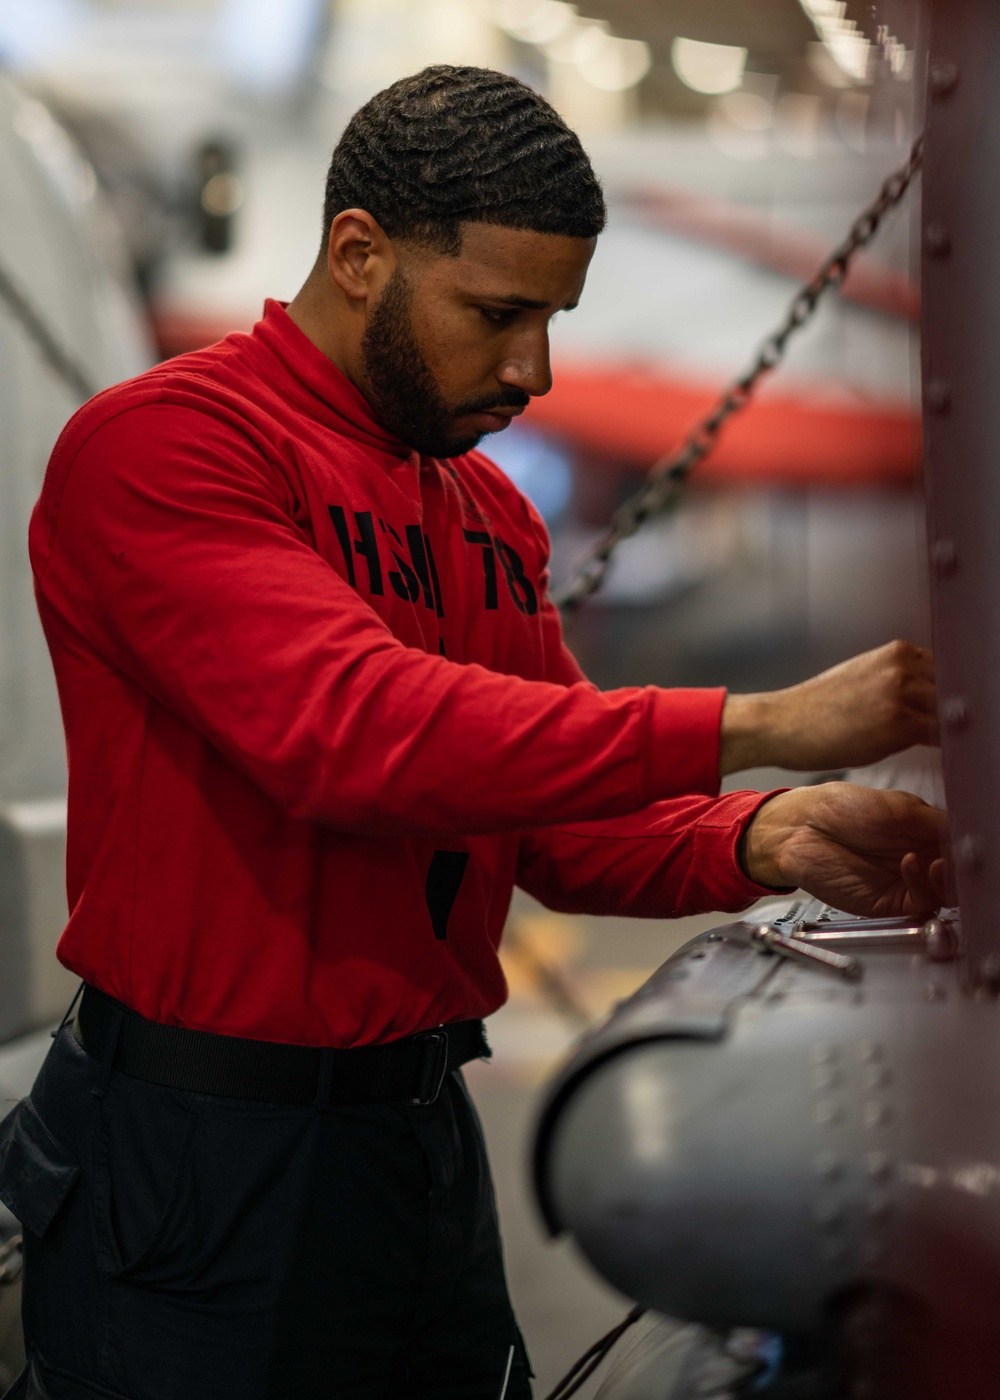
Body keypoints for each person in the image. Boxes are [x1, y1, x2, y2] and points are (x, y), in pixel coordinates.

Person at [0, 66, 944, 1400]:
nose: (534, 370)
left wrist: (769, 833)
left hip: (415, 1140)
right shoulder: (170, 449)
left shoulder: (485, 514)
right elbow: (352, 733)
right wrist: (763, 724)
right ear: (360, 254)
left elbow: (550, 821)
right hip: (201, 1155)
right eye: (498, 314)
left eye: (552, 318)